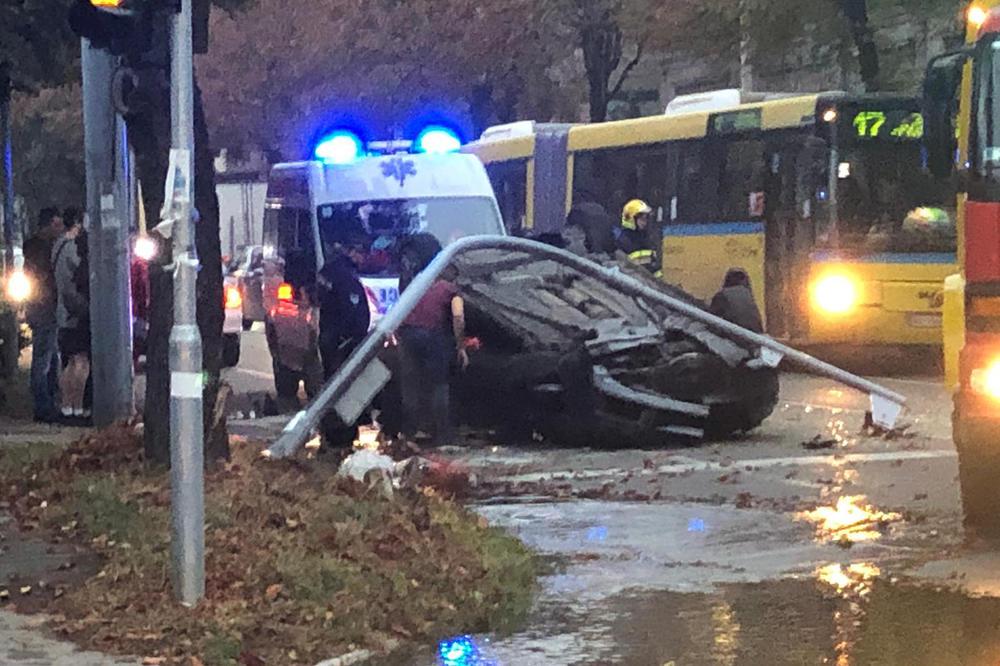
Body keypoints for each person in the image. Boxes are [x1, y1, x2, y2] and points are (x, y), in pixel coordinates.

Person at [397, 234, 467, 446]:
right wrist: (461, 346)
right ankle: (443, 434)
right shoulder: (450, 290)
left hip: (407, 335)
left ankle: (411, 431)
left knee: (411, 384)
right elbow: (458, 316)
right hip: (432, 337)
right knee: (438, 384)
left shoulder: (415, 283)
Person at [316, 239, 371, 450]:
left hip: (330, 336)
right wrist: (356, 338)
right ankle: (341, 435)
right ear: (353, 252)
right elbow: (354, 313)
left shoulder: (329, 270)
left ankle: (330, 433)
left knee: (330, 383)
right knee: (344, 389)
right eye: (362, 253)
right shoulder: (347, 277)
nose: (364, 258)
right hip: (343, 342)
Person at [23, 208, 64, 422]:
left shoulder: (34, 247)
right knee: (43, 359)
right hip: (44, 308)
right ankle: (43, 406)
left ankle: (48, 402)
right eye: (56, 225)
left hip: (41, 307)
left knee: (49, 356)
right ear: (47, 225)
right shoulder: (42, 249)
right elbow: (43, 280)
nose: (59, 230)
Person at [52, 207, 91, 423]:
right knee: (80, 361)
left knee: (70, 362)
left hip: (64, 310)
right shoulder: (71, 248)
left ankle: (68, 407)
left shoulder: (58, 245)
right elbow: (79, 273)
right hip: (74, 311)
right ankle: (73, 407)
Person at [710, 268, 764, 334]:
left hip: (738, 336)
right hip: (755, 336)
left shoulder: (722, 295)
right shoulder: (747, 293)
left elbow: (711, 321)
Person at [616, 199, 660, 274]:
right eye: (642, 219)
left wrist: (660, 283)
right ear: (631, 219)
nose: (645, 222)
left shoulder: (645, 237)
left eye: (646, 219)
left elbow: (653, 266)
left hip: (649, 282)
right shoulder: (624, 240)